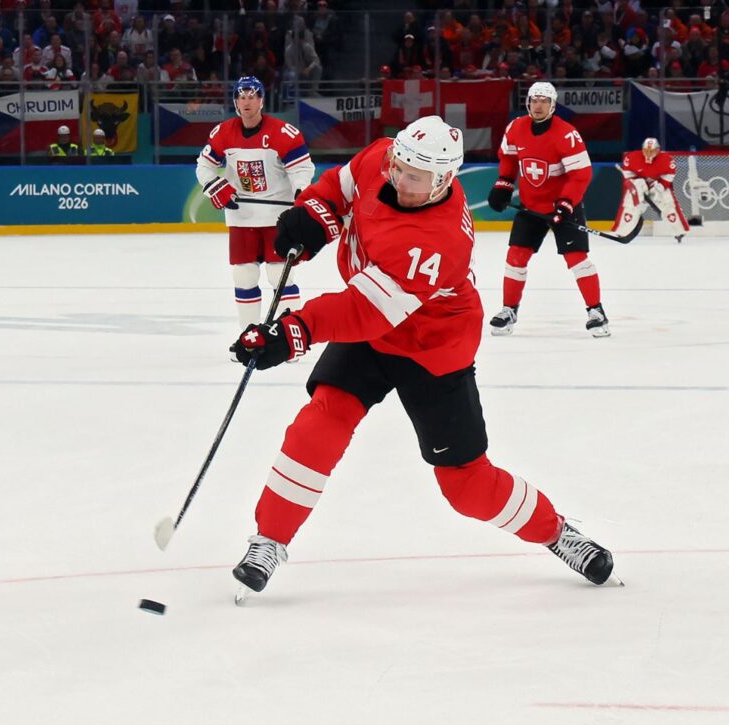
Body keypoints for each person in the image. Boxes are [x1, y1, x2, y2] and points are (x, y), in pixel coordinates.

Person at [225, 115, 616, 599]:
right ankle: (269, 540)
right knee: (320, 422)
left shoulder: (438, 240)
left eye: (415, 176)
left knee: (466, 487)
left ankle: (557, 532)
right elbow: (338, 189)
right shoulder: (385, 156)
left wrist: (292, 332)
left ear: (445, 182)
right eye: (399, 165)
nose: (399, 177)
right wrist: (314, 216)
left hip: (433, 346)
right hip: (373, 327)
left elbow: (365, 312)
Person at [485, 82, 606, 337]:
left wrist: (565, 204)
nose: (538, 105)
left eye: (544, 101)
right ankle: (509, 310)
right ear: (528, 102)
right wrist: (504, 184)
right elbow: (508, 158)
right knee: (515, 258)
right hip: (531, 206)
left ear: (553, 106)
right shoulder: (515, 127)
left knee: (577, 260)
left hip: (563, 206)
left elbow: (581, 174)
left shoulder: (567, 134)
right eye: (534, 100)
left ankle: (596, 312)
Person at [196, 75, 315, 328]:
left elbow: (302, 169)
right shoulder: (223, 133)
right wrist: (215, 186)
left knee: (280, 274)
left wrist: (300, 193)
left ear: (261, 101)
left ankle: (286, 338)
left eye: (252, 96)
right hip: (241, 216)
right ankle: (248, 336)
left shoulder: (284, 133)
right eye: (242, 97)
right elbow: (203, 167)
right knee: (244, 275)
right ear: (236, 102)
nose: (247, 102)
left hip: (277, 217)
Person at [613, 137, 689, 242]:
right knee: (630, 204)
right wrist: (636, 183)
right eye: (646, 150)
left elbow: (669, 175)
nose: (648, 153)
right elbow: (628, 175)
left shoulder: (667, 159)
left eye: (651, 151)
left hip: (657, 185)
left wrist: (661, 186)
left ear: (658, 150)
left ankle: (678, 231)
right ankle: (622, 231)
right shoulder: (632, 157)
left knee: (668, 203)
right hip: (639, 186)